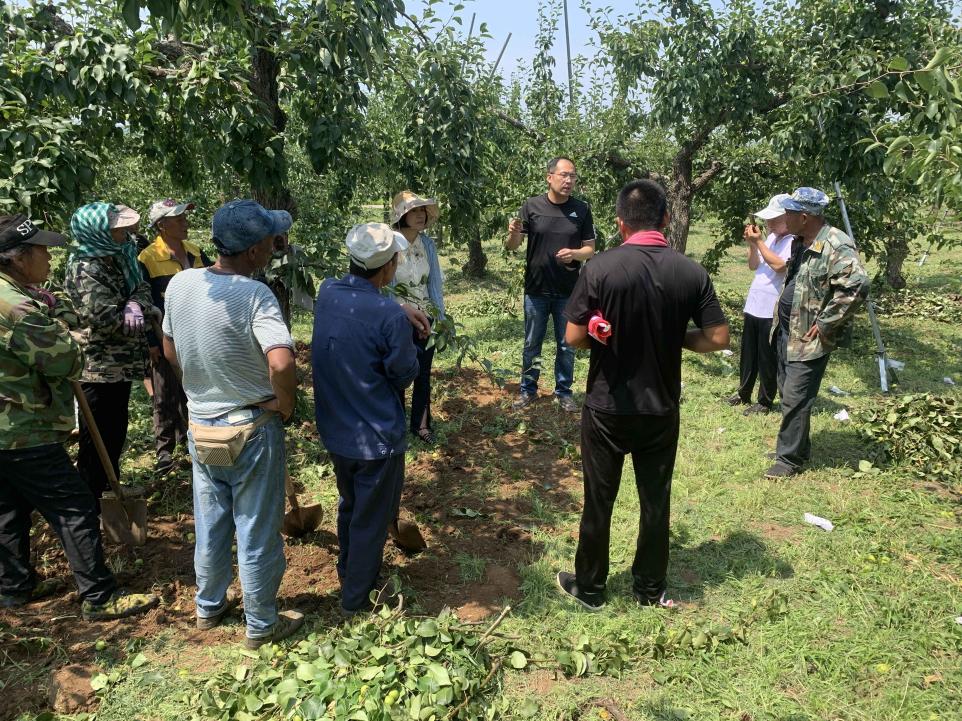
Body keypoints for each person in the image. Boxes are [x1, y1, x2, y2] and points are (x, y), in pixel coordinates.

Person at [555, 180, 730, 611]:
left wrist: (600, 332)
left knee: (600, 497)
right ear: (666, 220)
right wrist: (673, 337)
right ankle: (650, 590)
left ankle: (591, 587)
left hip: (607, 406)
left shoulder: (599, 268)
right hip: (660, 408)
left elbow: (574, 336)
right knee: (656, 499)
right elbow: (719, 336)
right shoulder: (690, 271)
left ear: (619, 224)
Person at [0, 214, 159, 621]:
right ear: (16, 258)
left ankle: (15, 586)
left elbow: (69, 324)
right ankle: (99, 596)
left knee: (9, 506)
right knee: (74, 506)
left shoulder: (24, 295)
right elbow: (67, 359)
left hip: (10, 429)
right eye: (41, 250)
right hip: (24, 428)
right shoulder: (14, 305)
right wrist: (67, 335)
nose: (49, 258)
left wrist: (61, 324)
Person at [162, 199, 302, 648]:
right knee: (257, 528)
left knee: (211, 520)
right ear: (257, 249)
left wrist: (197, 387)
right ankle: (261, 625)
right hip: (250, 428)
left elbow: (169, 348)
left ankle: (209, 606)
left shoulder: (182, 284)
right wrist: (284, 404)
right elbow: (280, 363)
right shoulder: (255, 294)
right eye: (269, 241)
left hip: (202, 425)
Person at [312, 224, 419, 616]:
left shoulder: (328, 293)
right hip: (378, 437)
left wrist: (397, 308)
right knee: (372, 519)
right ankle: (356, 600)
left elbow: (363, 309)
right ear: (388, 267)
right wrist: (404, 325)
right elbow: (403, 372)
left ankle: (348, 570)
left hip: (339, 430)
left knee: (350, 504)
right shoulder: (389, 317)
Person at [765, 188, 869, 479]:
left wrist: (826, 322)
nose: (784, 217)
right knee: (788, 392)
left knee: (796, 396)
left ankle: (788, 460)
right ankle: (796, 447)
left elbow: (857, 286)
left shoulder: (836, 244)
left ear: (804, 216)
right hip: (788, 330)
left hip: (809, 337)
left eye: (788, 212)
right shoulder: (801, 240)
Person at [64, 202, 158, 500]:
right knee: (96, 440)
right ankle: (90, 502)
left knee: (115, 431)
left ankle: (110, 489)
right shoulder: (84, 266)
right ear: (98, 232)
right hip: (99, 366)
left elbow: (142, 288)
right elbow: (101, 317)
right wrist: (137, 315)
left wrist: (136, 305)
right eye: (118, 230)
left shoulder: (122, 256)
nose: (125, 234)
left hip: (122, 364)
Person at [506, 156, 596, 412]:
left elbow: (590, 249)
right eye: (564, 175)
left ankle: (564, 392)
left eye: (573, 176)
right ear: (549, 177)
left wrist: (575, 254)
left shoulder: (581, 209)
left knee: (567, 344)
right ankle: (528, 390)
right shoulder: (531, 206)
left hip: (568, 291)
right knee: (532, 343)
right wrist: (513, 233)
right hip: (536, 290)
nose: (569, 181)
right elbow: (512, 246)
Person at [138, 199, 212, 475]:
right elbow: (144, 302)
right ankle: (164, 452)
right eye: (178, 219)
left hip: (198, 334)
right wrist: (151, 343)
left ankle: (193, 439)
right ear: (161, 226)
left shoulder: (196, 253)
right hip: (165, 335)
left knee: (194, 389)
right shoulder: (147, 258)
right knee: (164, 392)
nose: (185, 222)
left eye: (184, 217)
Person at [727, 194, 793, 415]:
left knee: (767, 357)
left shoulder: (793, 241)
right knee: (749, 353)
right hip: (755, 303)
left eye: (774, 219)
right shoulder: (772, 238)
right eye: (768, 219)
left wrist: (759, 242)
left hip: (770, 308)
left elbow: (780, 266)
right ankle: (743, 391)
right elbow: (754, 265)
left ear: (788, 217)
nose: (769, 224)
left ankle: (765, 400)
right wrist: (753, 246)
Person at [390, 190, 445, 445]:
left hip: (425, 317)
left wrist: (439, 317)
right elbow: (386, 286)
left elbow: (434, 284)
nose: (420, 215)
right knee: (398, 372)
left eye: (422, 210)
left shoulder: (428, 245)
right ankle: (397, 425)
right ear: (402, 215)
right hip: (398, 318)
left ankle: (422, 425)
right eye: (414, 210)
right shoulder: (390, 244)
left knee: (424, 372)